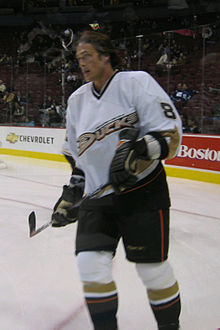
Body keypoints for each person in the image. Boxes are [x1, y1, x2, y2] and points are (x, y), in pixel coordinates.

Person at [51, 30, 182, 330]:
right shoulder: (77, 101)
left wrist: (137, 152)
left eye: (86, 56)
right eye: (78, 58)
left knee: (152, 271)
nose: (81, 63)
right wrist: (71, 195)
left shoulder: (136, 82)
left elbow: (170, 136)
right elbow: (79, 160)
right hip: (97, 200)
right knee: (90, 266)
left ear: (105, 55)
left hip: (143, 191)